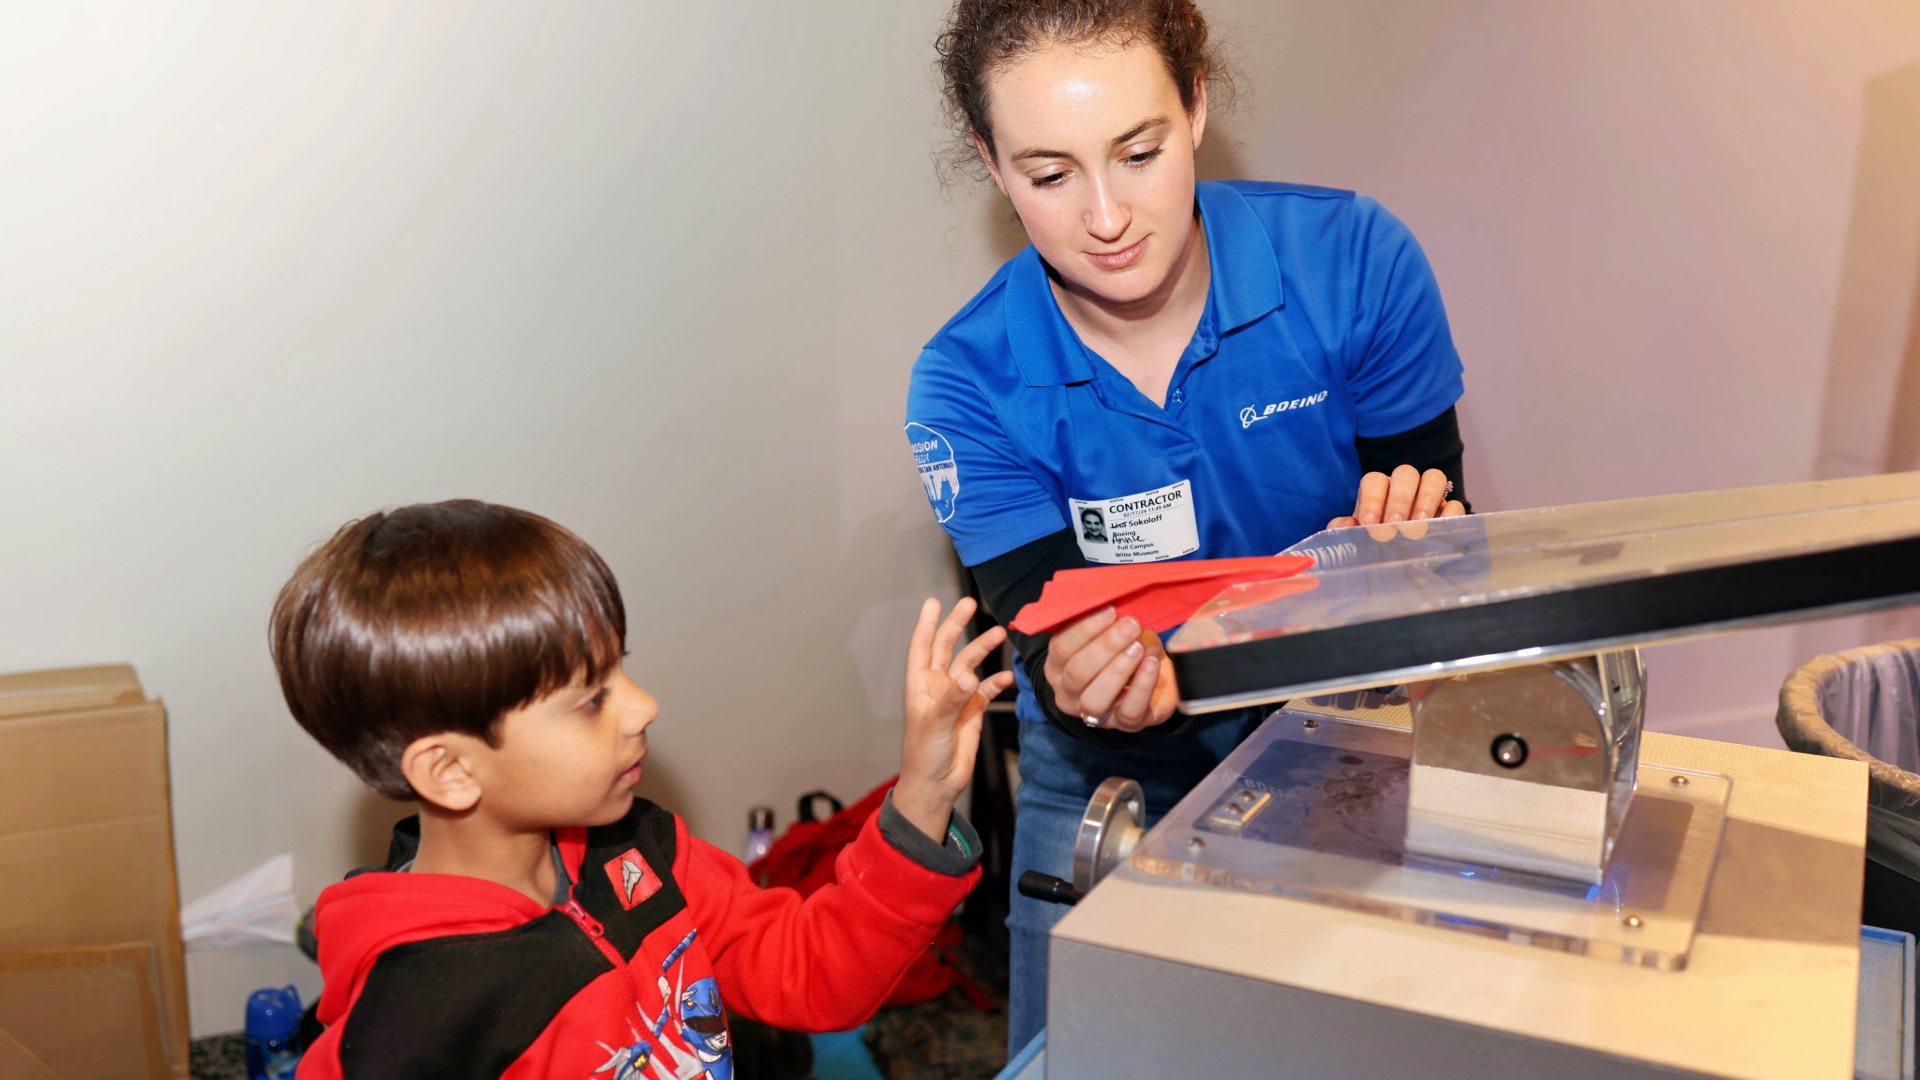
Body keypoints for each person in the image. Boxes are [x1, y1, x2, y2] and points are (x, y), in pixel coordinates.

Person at [906, 0, 1471, 1052]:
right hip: (1111, 770)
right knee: (1091, 1052)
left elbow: (1436, 513)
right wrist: (1078, 678)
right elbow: (1049, 627)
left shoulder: (1352, 264)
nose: (1108, 216)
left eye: (1139, 151)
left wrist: (1421, 546)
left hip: (1351, 722)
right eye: (1050, 174)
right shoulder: (967, 385)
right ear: (991, 164)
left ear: (1198, 104)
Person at [269, 500, 1014, 1078]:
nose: (644, 705)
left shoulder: (642, 849)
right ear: (452, 771)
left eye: (621, 668)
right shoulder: (412, 1014)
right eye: (592, 699)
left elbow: (813, 970)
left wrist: (921, 799)